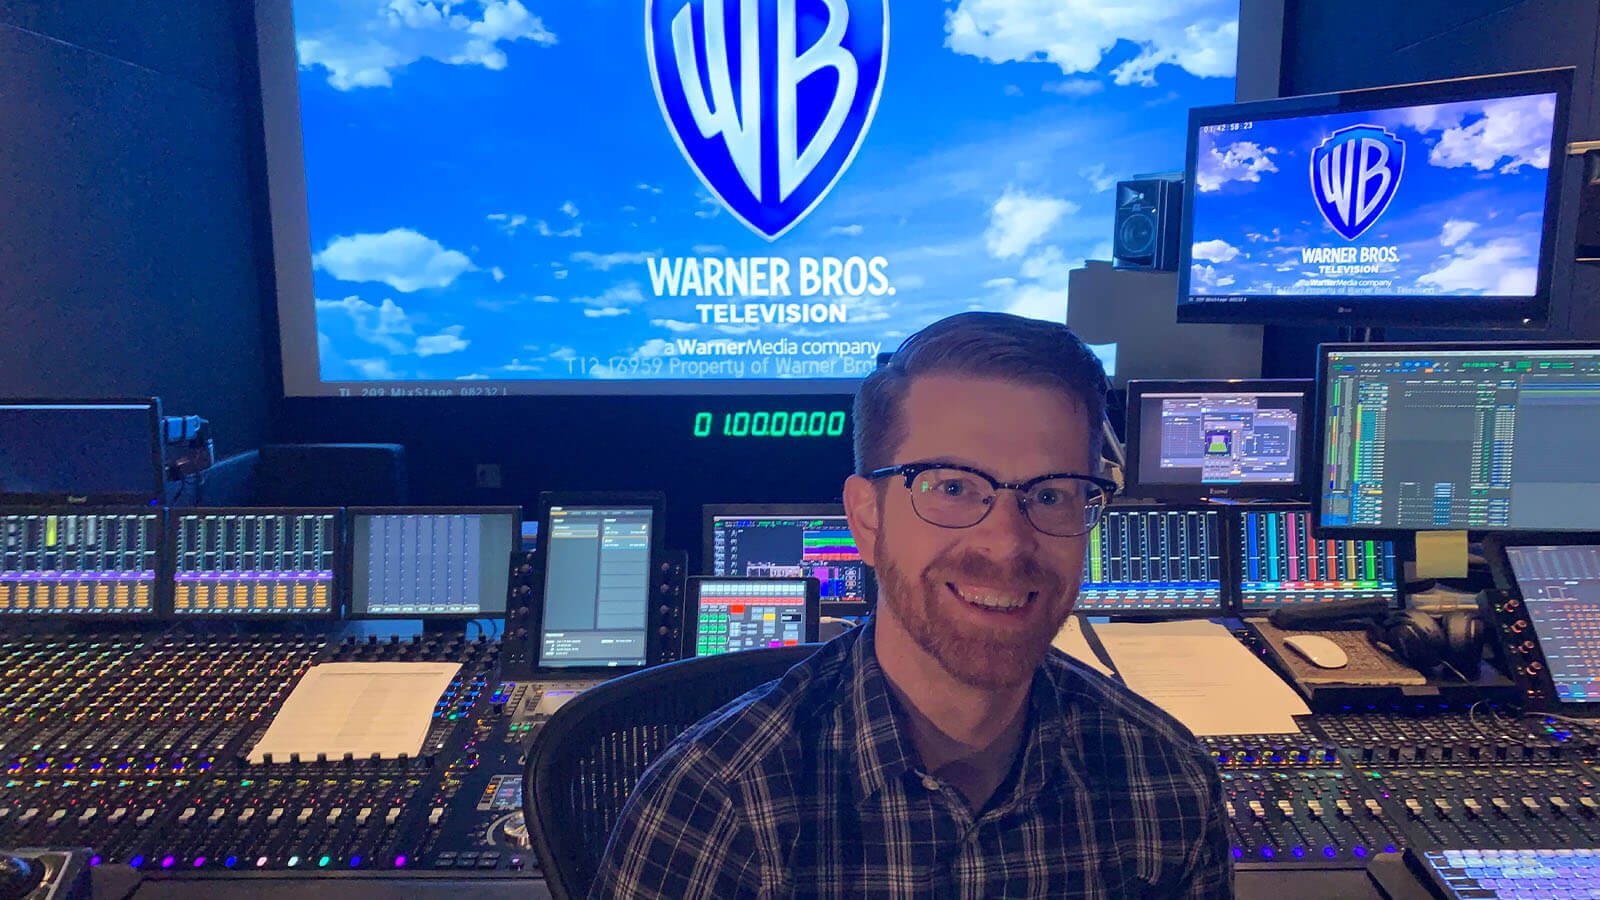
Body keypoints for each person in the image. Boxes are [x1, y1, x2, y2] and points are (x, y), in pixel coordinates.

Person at [590, 312, 1232, 898]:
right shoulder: (718, 804)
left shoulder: (1167, 783)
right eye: (952, 487)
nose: (1007, 544)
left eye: (1054, 494)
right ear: (866, 519)